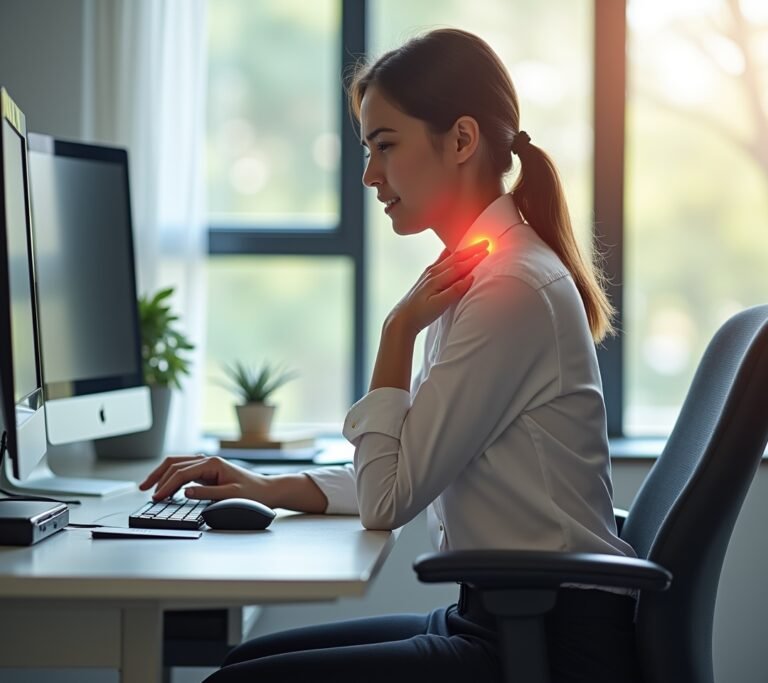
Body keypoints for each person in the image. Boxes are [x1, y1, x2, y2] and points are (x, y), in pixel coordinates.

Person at [141, 27, 640, 683]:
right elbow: (412, 465)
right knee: (242, 661)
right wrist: (267, 485)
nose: (370, 174)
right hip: (509, 622)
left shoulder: (510, 289)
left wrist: (396, 334)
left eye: (385, 146)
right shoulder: (483, 276)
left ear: (461, 140)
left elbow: (388, 497)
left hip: (546, 644)